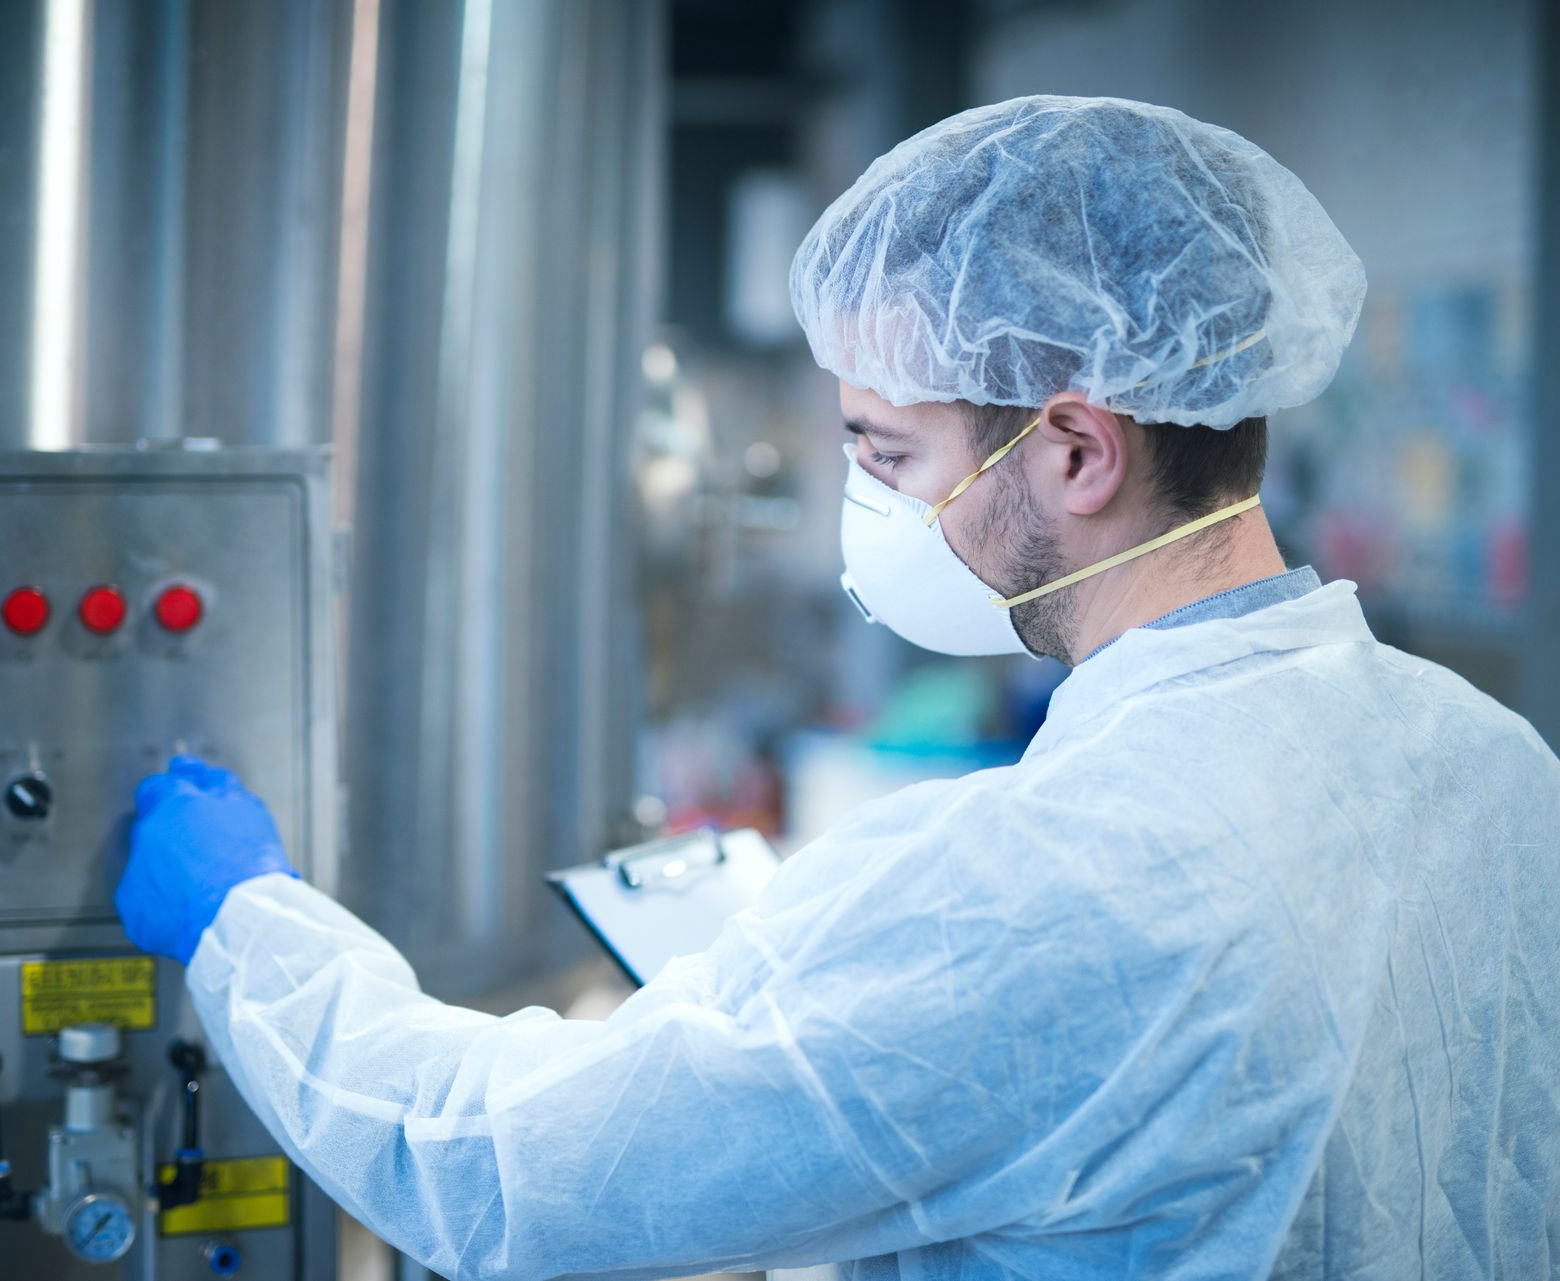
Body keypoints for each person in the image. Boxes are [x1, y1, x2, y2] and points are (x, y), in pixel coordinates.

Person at [118, 96, 1560, 1279]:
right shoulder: (1493, 760)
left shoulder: (1046, 882)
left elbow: (510, 1174)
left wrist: (248, 925)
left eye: (886, 457)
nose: (868, 508)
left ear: (1075, 452)